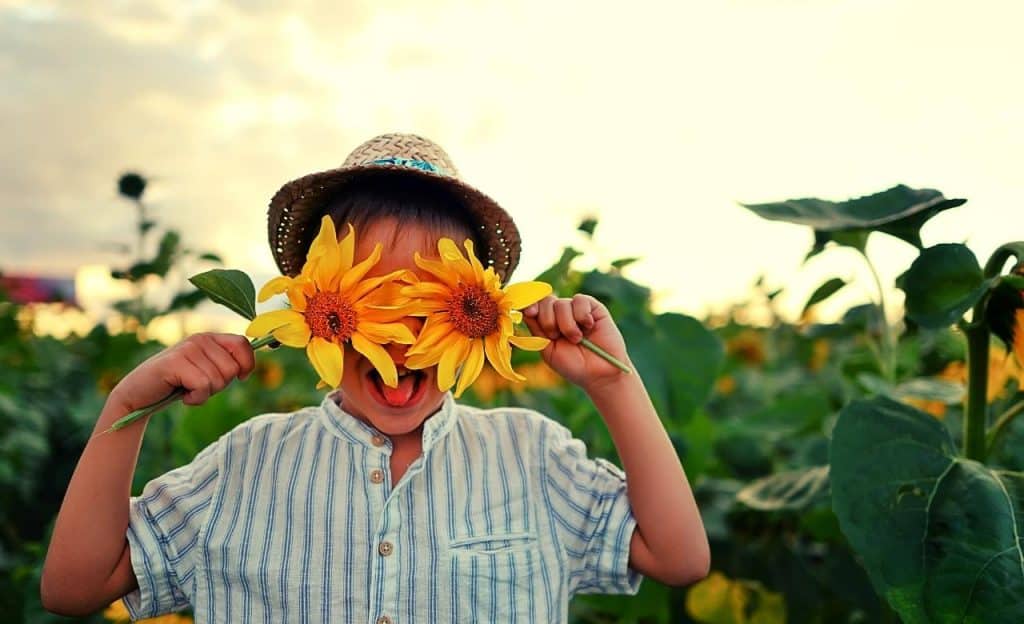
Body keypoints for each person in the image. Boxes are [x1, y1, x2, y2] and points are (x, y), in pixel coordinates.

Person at [41, 133, 709, 622]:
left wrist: (614, 385)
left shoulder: (531, 456)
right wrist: (126, 405)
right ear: (312, 302)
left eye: (432, 301)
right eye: (373, 298)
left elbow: (678, 559)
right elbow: (75, 589)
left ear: (481, 311)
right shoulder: (245, 467)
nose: (399, 334)